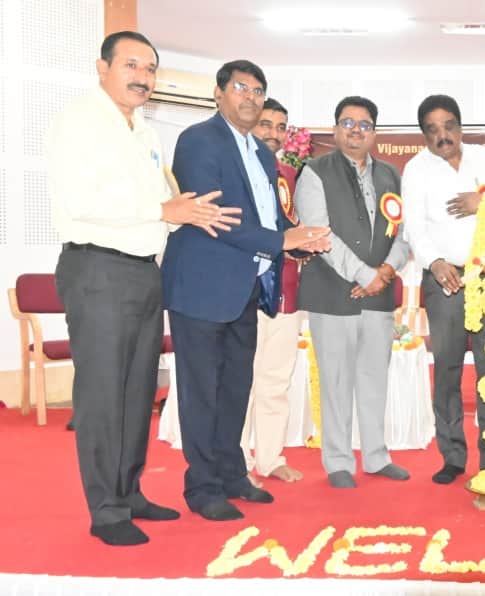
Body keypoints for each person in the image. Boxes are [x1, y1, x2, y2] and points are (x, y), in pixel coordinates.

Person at [48, 31, 240, 545]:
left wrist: (189, 215)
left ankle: (129, 492)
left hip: (143, 270)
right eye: (131, 65)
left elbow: (166, 206)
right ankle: (106, 510)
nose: (143, 77)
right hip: (97, 269)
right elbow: (82, 200)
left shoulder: (146, 133)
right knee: (103, 395)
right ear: (102, 67)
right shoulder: (79, 122)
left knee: (137, 392)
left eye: (150, 68)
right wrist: (163, 210)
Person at [163, 60, 330, 521]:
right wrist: (282, 240)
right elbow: (215, 216)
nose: (251, 98)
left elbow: (268, 216)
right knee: (203, 392)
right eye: (241, 88)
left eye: (258, 90)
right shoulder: (198, 140)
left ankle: (232, 473)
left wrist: (299, 239)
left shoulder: (260, 152)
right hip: (202, 286)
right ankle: (202, 487)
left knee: (236, 387)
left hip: (246, 287)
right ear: (219, 93)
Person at [403, 94, 485, 485]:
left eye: (449, 126)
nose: (443, 135)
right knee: (448, 369)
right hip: (447, 280)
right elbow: (413, 228)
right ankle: (453, 456)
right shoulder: (416, 170)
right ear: (424, 135)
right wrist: (435, 263)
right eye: (432, 130)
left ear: (460, 126)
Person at [295, 96, 411, 488]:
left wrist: (386, 271)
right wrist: (364, 274)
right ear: (335, 129)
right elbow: (318, 232)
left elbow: (403, 234)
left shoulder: (392, 175)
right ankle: (339, 462)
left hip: (379, 295)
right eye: (347, 122)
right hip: (332, 294)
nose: (356, 130)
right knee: (336, 381)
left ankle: (377, 457)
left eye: (364, 124)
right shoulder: (315, 172)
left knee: (374, 378)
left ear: (374, 132)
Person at [240, 98, 305, 486]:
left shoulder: (290, 175)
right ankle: (237, 460)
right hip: (243, 291)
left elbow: (295, 228)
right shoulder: (236, 168)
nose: (273, 134)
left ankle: (269, 458)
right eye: (266, 124)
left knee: (276, 380)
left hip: (285, 291)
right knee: (241, 381)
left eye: (281, 127)